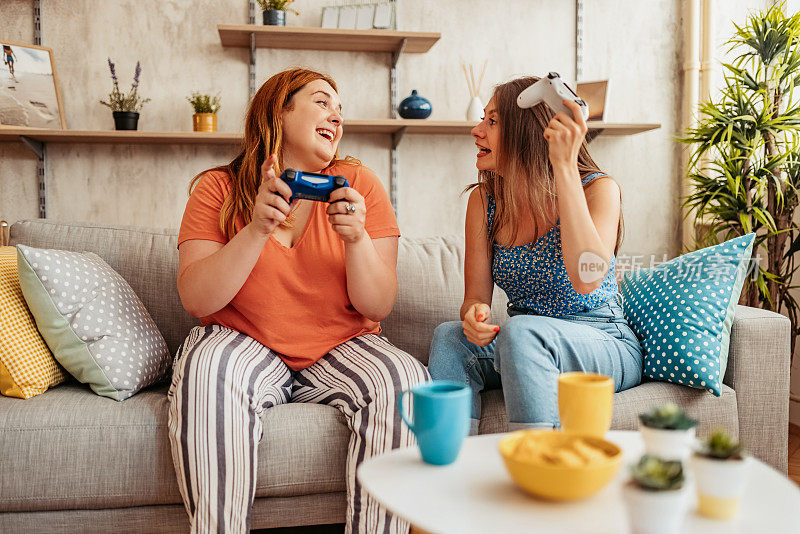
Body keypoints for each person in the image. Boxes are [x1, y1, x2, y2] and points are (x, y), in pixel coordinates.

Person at [169, 67, 429, 534]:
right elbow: (196, 296)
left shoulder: (360, 185)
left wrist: (356, 242)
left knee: (405, 378)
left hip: (339, 344)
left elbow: (378, 306)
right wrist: (256, 229)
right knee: (208, 369)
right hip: (243, 339)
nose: (337, 117)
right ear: (279, 111)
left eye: (340, 110)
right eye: (322, 102)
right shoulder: (217, 188)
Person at [427, 77, 644, 435]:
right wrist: (474, 316)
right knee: (450, 337)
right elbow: (475, 298)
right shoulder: (484, 202)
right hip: (524, 343)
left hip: (602, 340)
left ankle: (538, 462)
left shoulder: (600, 190)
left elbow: (587, 277)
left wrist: (564, 166)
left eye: (492, 122)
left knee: (523, 332)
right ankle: (453, 459)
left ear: (528, 132)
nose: (476, 131)